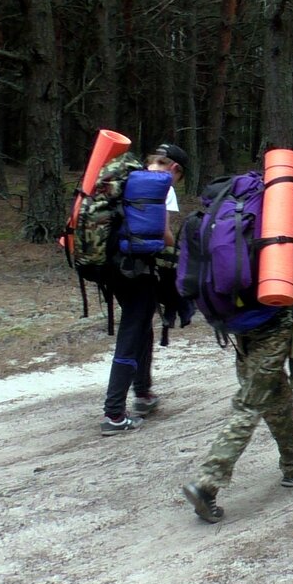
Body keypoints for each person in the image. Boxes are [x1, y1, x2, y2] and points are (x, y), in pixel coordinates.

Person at [182, 153, 293, 523]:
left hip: (232, 315)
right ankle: (208, 480)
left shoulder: (251, 204)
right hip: (272, 312)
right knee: (251, 400)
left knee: (272, 391)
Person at [99, 143, 188, 436]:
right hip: (138, 268)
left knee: (141, 325)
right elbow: (163, 234)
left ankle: (143, 392)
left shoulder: (129, 176)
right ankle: (114, 413)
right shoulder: (161, 185)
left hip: (111, 264)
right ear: (175, 168)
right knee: (133, 330)